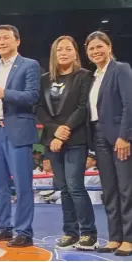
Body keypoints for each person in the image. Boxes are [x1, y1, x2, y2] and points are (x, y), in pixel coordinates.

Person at [0, 24, 40, 247]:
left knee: (23, 185)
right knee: (0, 185)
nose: (1, 42)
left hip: (18, 130)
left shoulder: (30, 65)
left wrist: (5, 94)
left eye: (6, 38)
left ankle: (24, 231)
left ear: (17, 41)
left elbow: (33, 96)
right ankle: (3, 227)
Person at [35, 35, 98, 250]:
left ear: (75, 53)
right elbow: (40, 109)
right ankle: (70, 232)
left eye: (68, 48)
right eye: (59, 49)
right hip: (52, 140)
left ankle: (88, 233)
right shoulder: (44, 79)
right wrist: (54, 132)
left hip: (76, 138)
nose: (63, 52)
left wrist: (63, 133)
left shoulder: (84, 76)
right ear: (54, 53)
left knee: (75, 186)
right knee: (62, 188)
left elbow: (83, 107)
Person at [86, 31, 132, 256]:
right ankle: (115, 237)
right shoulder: (94, 76)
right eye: (91, 48)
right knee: (110, 190)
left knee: (126, 189)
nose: (95, 51)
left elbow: (129, 103)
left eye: (99, 46)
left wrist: (125, 136)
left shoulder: (121, 69)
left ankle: (129, 239)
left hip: (119, 137)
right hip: (98, 136)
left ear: (109, 46)